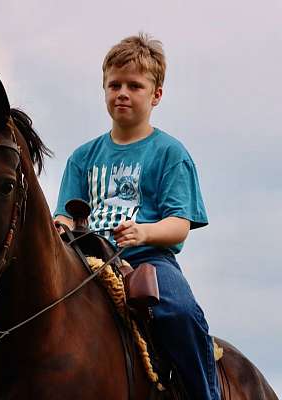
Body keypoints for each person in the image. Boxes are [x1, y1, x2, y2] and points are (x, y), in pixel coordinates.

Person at [53, 33, 220, 399]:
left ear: (156, 94)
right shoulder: (82, 157)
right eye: (114, 85)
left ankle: (204, 394)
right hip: (86, 261)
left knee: (181, 315)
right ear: (104, 90)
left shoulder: (169, 153)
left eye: (134, 85)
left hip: (147, 261)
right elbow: (65, 216)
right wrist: (59, 227)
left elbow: (179, 225)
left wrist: (143, 233)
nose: (122, 93)